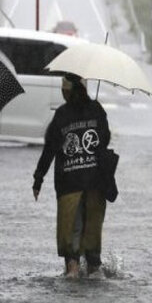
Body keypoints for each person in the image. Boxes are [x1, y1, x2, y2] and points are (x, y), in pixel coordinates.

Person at [32, 74, 111, 279]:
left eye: (62, 88)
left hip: (69, 186)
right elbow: (106, 139)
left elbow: (49, 149)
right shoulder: (97, 110)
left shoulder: (62, 114)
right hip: (96, 183)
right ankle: (93, 269)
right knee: (92, 238)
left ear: (67, 91)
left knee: (71, 239)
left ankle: (73, 270)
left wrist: (38, 178)